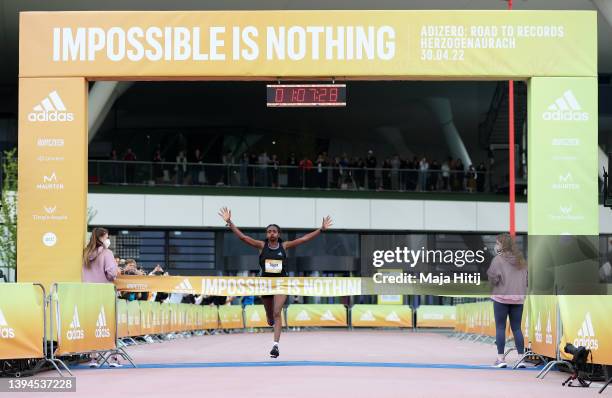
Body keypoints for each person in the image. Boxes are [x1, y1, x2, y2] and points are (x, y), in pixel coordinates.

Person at [218, 206, 333, 358]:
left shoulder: (284, 246)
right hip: (265, 283)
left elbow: (303, 239)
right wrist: (230, 222)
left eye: (274, 231)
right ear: (267, 234)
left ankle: (275, 346)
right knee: (270, 317)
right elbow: (243, 238)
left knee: (277, 312)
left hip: (281, 283)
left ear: (278, 234)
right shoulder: (261, 246)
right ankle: (270, 319)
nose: (271, 233)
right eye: (269, 231)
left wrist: (321, 229)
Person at [81, 227, 122, 368]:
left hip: (89, 294)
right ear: (101, 238)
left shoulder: (86, 253)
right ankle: (113, 358)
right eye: (106, 237)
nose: (108, 239)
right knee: (110, 326)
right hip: (105, 293)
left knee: (94, 327)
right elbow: (112, 274)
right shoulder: (107, 253)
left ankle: (94, 358)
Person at [487, 233, 528, 368]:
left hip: (501, 297)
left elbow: (494, 279)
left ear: (502, 245)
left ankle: (500, 359)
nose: (496, 246)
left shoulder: (498, 260)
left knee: (500, 327)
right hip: (518, 298)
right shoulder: (521, 261)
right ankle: (521, 358)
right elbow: (526, 280)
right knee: (517, 328)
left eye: (498, 243)